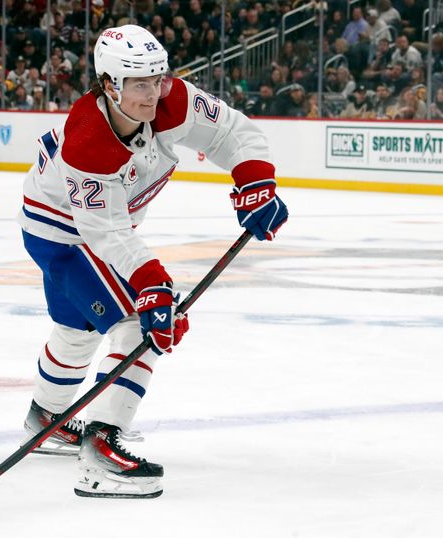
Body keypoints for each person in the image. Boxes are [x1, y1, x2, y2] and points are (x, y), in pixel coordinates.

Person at [18, 25, 288, 499]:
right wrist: (152, 285)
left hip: (84, 230)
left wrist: (254, 182)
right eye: (139, 83)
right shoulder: (88, 141)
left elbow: (231, 131)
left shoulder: (172, 100)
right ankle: (101, 451)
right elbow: (106, 232)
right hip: (64, 234)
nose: (153, 93)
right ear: (109, 85)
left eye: (158, 78)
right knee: (141, 323)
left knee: (77, 330)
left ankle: (46, 419)